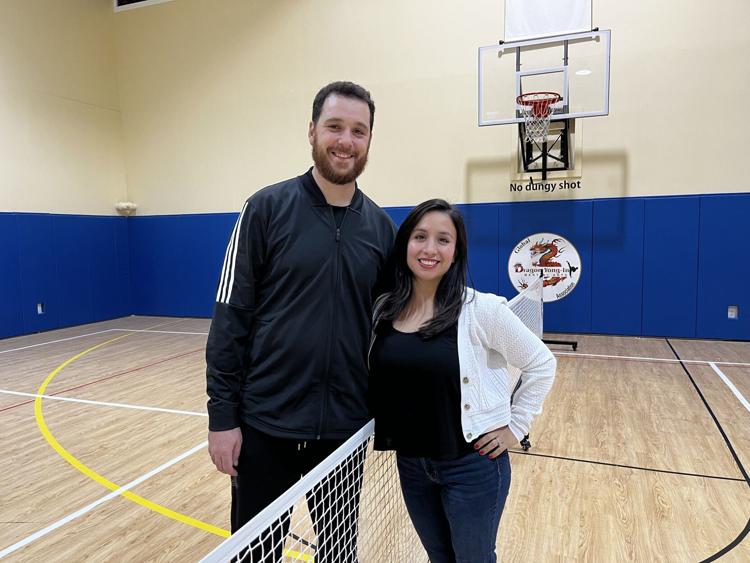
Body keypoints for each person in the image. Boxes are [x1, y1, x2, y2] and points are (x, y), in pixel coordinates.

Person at [205, 81, 396, 561]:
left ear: (370, 140)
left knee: (337, 553)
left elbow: (391, 331)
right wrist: (222, 418)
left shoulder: (381, 229)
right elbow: (230, 319)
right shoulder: (265, 209)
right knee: (257, 554)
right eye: (335, 126)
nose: (345, 140)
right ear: (312, 131)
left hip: (343, 433)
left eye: (359, 130)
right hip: (265, 426)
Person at [369, 199, 556, 563]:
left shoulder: (481, 310)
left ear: (455, 252)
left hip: (472, 465)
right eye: (420, 237)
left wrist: (515, 426)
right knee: (440, 557)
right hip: (412, 464)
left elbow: (541, 363)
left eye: (443, 239)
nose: (429, 249)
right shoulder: (385, 310)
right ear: (405, 243)